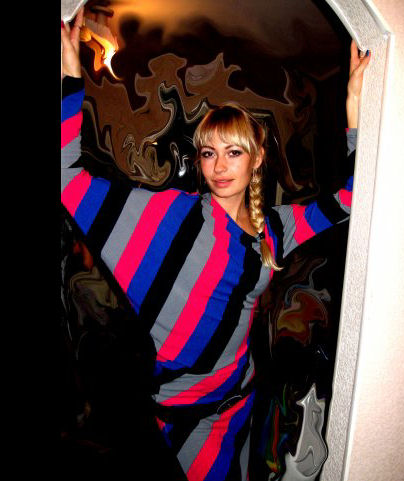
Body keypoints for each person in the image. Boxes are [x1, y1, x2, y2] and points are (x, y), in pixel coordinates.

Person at [61, 7, 370, 481]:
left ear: (257, 158)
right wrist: (69, 77)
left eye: (233, 151)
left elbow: (350, 199)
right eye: (209, 152)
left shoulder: (275, 227)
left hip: (246, 401)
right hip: (189, 420)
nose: (220, 166)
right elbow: (68, 181)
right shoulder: (168, 216)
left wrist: (355, 110)